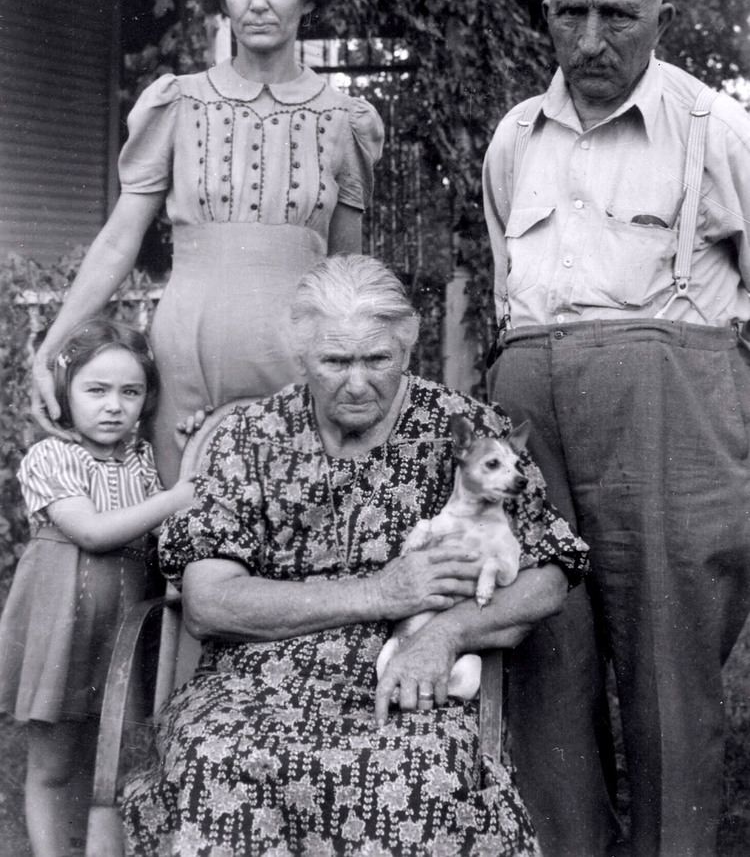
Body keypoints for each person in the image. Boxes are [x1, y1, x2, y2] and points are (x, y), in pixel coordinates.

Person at [122, 254, 589, 856]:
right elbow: (208, 602)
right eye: (335, 361)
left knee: (422, 774)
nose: (359, 382)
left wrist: (445, 636)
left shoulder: (465, 428)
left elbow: (549, 574)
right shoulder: (252, 438)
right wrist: (379, 592)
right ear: (300, 353)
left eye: (378, 359)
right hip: (253, 681)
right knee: (218, 756)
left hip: (411, 676)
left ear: (408, 346)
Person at [482, 0, 750, 857]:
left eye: (617, 15)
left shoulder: (720, 133)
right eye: (570, 13)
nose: (591, 42)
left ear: (662, 15)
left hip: (666, 417)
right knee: (545, 659)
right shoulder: (516, 138)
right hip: (531, 415)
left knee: (670, 676)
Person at [31, 0, 384, 485]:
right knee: (189, 542)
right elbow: (120, 241)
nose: (258, 2)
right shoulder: (179, 103)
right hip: (185, 367)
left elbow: (349, 271)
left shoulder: (344, 120)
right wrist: (51, 347)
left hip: (300, 371)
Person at [0, 318, 195, 857]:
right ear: (64, 394)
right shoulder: (52, 458)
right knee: (56, 762)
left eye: (130, 392)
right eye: (96, 390)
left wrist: (190, 436)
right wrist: (180, 495)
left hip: (124, 630)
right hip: (64, 622)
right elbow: (93, 531)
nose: (114, 405)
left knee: (112, 761)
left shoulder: (147, 459)